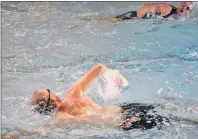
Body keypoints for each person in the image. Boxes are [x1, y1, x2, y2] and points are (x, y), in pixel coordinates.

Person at [2, 64, 198, 139]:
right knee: (167, 109)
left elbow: (38, 132)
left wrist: (15, 136)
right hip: (125, 111)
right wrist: (114, 76)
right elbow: (98, 68)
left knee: (173, 120)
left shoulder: (61, 120)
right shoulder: (73, 92)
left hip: (124, 123)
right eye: (49, 91)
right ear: (53, 97)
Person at [82, 2, 193, 23]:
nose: (185, 10)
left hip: (136, 20)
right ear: (180, 5)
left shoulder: (178, 16)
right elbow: (146, 6)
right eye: (185, 7)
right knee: (108, 21)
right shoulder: (167, 8)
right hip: (133, 16)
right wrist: (140, 17)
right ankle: (83, 22)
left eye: (188, 9)